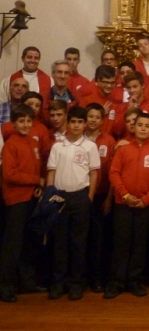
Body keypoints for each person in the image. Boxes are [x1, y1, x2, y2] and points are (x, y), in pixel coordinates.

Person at [104, 113, 149, 299]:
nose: (143, 128)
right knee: (121, 243)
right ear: (134, 127)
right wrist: (126, 195)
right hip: (123, 203)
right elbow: (114, 173)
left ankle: (134, 281)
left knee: (139, 244)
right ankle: (117, 282)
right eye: (140, 125)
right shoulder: (123, 150)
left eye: (147, 125)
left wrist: (146, 199)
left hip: (145, 204)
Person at [46, 106, 100, 300]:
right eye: (73, 122)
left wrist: (90, 197)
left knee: (78, 243)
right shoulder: (58, 146)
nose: (76, 125)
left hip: (80, 197)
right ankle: (58, 283)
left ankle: (77, 283)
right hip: (59, 197)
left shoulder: (90, 146)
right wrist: (50, 195)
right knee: (59, 242)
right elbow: (51, 172)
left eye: (80, 122)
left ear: (85, 124)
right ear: (67, 123)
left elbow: (94, 173)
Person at [0, 105, 43, 303]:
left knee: (28, 243)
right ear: (14, 123)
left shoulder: (32, 143)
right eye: (21, 121)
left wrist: (37, 186)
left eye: (28, 121)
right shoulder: (11, 145)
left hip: (30, 198)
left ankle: (27, 282)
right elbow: (10, 174)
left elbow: (34, 168)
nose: (25, 124)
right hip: (16, 200)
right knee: (13, 245)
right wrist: (35, 180)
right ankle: (5, 286)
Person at [85, 103, 116, 293]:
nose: (93, 120)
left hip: (103, 196)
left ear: (102, 120)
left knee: (100, 239)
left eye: (97, 117)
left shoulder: (109, 140)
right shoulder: (78, 140)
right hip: (82, 195)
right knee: (83, 238)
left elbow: (113, 172)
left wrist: (109, 199)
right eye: (90, 116)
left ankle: (98, 277)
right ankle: (82, 277)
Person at [79, 65, 125, 139]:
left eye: (112, 83)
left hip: (107, 144)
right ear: (98, 81)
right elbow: (79, 125)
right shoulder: (86, 101)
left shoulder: (116, 104)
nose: (109, 86)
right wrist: (100, 113)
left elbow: (118, 131)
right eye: (106, 82)